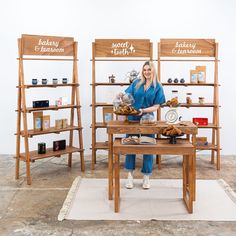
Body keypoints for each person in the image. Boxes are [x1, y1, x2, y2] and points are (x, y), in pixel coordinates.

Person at [119, 61, 166, 189]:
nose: (146, 72)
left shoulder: (158, 87)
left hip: (148, 120)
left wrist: (144, 111)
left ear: (153, 71)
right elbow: (127, 96)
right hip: (132, 118)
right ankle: (129, 176)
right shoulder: (136, 83)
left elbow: (157, 106)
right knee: (130, 145)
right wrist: (121, 95)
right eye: (144, 70)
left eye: (149, 70)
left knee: (148, 146)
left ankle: (146, 177)